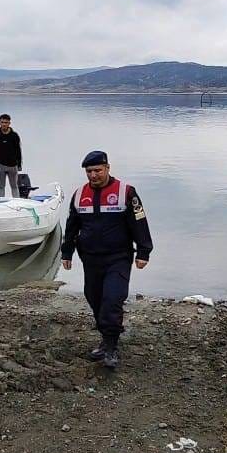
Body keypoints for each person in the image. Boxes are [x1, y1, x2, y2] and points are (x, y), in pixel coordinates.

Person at [61, 151, 153, 369]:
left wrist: (143, 252)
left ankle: (111, 347)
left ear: (108, 168)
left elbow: (139, 222)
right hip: (91, 258)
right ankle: (105, 337)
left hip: (118, 257)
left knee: (112, 299)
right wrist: (67, 252)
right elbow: (72, 226)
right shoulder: (79, 194)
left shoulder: (125, 193)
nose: (93, 175)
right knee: (94, 298)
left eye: (97, 171)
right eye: (89, 171)